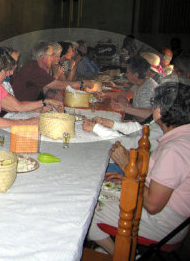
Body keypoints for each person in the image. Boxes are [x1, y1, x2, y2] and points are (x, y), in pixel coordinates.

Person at [87, 82, 190, 255]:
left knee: (87, 209)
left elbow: (152, 205)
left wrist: (127, 167)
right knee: (96, 188)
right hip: (169, 216)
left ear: (158, 112)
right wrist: (128, 179)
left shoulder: (175, 149)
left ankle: (123, 255)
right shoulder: (181, 136)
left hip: (163, 224)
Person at [12, 41, 94, 101]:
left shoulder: (37, 67)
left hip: (30, 104)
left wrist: (51, 94)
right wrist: (82, 83)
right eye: (51, 55)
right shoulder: (33, 69)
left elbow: (42, 89)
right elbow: (58, 85)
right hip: (21, 108)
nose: (53, 58)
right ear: (43, 57)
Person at [111, 56, 157, 122]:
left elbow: (148, 115)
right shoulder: (141, 82)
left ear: (135, 75)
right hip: (136, 120)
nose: (126, 75)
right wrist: (127, 104)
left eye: (127, 72)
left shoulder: (147, 90)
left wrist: (125, 108)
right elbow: (127, 93)